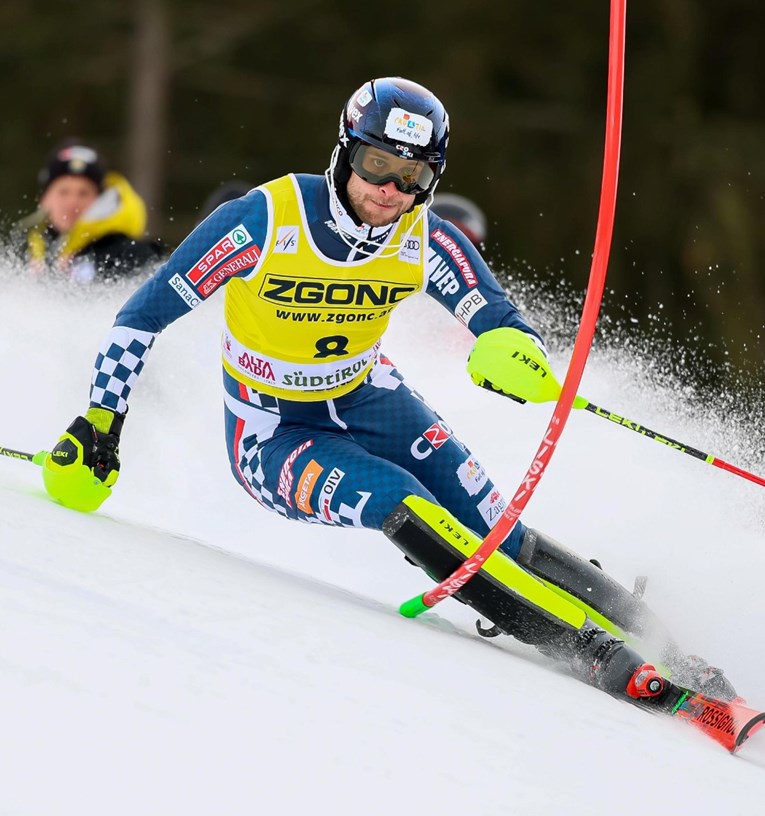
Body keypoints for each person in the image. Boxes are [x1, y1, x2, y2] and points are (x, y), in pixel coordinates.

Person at [41, 77, 735, 708]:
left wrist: (510, 349)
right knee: (399, 503)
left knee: (496, 525)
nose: (389, 191)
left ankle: (665, 642)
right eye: (378, 166)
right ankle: (589, 653)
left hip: (371, 396)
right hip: (274, 433)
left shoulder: (418, 235)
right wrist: (101, 420)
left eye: (412, 177)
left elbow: (494, 314)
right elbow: (140, 316)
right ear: (345, 153)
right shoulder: (266, 219)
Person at [13, 140, 163, 284]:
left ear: (100, 200)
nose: (72, 202)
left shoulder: (127, 254)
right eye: (63, 192)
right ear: (44, 198)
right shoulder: (23, 249)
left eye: (83, 193)